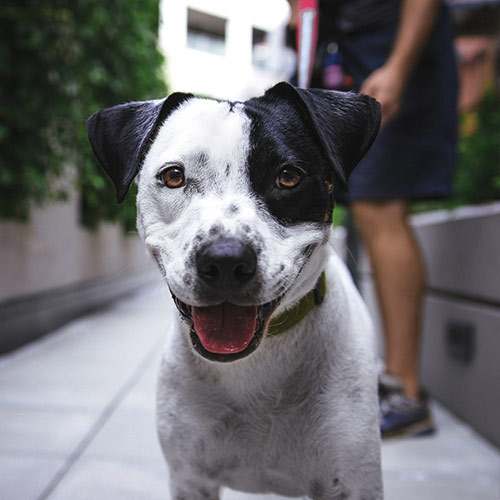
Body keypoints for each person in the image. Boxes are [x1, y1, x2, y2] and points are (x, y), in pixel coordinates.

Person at [287, 0, 458, 438]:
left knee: (379, 206)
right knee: (357, 205)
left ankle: (406, 392)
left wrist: (399, 66)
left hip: (394, 49)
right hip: (347, 47)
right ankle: (385, 381)